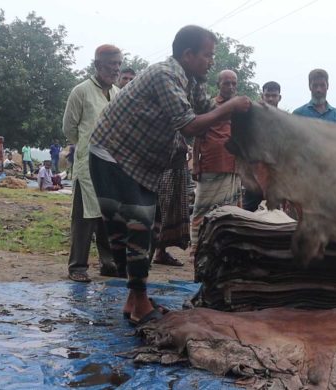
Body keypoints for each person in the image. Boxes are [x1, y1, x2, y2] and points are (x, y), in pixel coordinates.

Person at [88, 25, 251, 325]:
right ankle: (138, 303)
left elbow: (207, 109)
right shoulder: (165, 74)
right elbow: (189, 124)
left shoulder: (191, 79)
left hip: (141, 163)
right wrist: (230, 106)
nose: (211, 62)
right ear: (187, 55)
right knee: (137, 226)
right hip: (112, 154)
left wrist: (246, 113)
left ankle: (134, 298)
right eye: (207, 55)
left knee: (149, 228)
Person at [62, 44, 120, 281]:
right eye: (111, 64)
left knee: (107, 215)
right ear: (97, 65)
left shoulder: (118, 92)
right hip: (87, 164)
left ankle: (108, 263)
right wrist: (86, 145)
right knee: (84, 217)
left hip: (111, 163)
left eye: (118, 64)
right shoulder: (81, 91)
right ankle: (78, 267)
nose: (115, 69)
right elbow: (69, 128)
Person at [190, 69, 243, 253]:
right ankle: (197, 246)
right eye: (226, 83)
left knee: (231, 210)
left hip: (234, 165)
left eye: (234, 83)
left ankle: (225, 247)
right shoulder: (210, 105)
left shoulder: (240, 109)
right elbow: (197, 136)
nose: (230, 87)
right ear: (218, 84)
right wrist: (196, 164)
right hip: (211, 163)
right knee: (203, 208)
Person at [243, 81, 282, 212]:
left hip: (276, 175)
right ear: (262, 96)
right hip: (254, 175)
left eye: (274, 95)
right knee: (248, 211)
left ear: (279, 97)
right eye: (267, 95)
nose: (270, 98)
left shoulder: (284, 120)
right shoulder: (251, 117)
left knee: (276, 213)